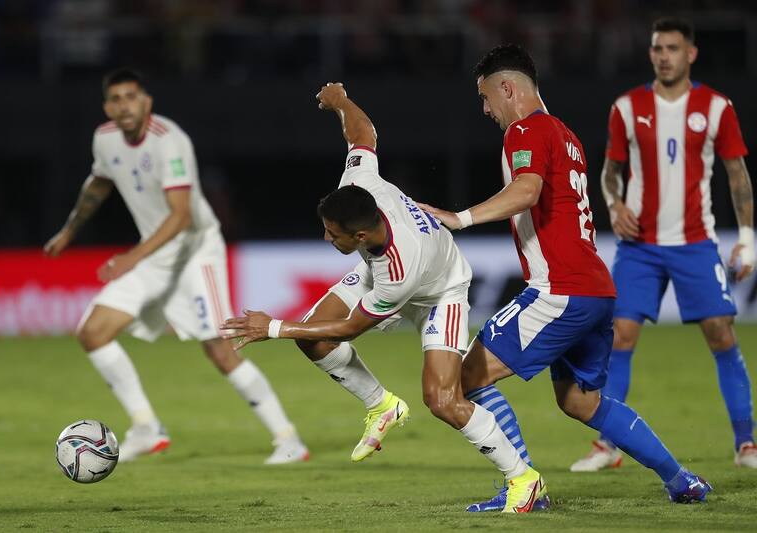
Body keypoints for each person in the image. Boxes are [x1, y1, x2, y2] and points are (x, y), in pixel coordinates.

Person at [221, 81, 547, 513]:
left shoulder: (398, 268)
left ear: (358, 235)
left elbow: (350, 328)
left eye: (332, 234)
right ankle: (382, 405)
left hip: (439, 291)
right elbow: (364, 135)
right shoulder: (360, 183)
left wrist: (274, 327)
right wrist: (341, 102)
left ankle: (523, 478)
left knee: (443, 400)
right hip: (382, 273)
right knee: (311, 339)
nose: (325, 238)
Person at [418, 44, 712, 509]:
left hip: (559, 290)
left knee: (465, 378)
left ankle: (524, 485)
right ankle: (681, 480)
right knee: (580, 401)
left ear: (507, 88)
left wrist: (461, 218)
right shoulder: (564, 133)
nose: (485, 109)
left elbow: (526, 190)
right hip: (595, 290)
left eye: (485, 98)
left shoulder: (525, 130)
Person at [44, 68, 308, 464]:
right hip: (154, 255)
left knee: (220, 350)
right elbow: (98, 182)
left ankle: (288, 439)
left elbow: (181, 216)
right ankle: (146, 427)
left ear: (146, 101)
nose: (124, 105)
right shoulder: (105, 138)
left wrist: (132, 257)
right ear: (107, 107)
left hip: (195, 252)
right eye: (116, 99)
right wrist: (70, 230)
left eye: (131, 96)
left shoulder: (169, 141)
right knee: (93, 332)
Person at [571, 17, 757, 472]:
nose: (664, 56)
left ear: (690, 54)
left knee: (721, 333)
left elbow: (737, 175)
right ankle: (607, 445)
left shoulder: (716, 107)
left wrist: (747, 238)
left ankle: (746, 444)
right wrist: (615, 205)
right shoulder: (626, 107)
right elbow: (610, 172)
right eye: (657, 48)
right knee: (619, 336)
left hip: (695, 243)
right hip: (640, 247)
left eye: (673, 48)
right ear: (651, 53)